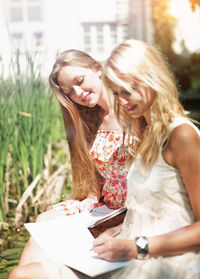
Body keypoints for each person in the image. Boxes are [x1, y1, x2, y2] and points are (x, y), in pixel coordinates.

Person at [9, 49, 130, 279]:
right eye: (70, 92)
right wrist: (91, 201)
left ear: (97, 69)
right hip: (104, 208)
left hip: (130, 210)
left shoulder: (131, 108)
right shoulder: (89, 119)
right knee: (44, 221)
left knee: (20, 276)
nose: (78, 93)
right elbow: (98, 176)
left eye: (80, 81)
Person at [91, 39, 200, 279]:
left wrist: (133, 246)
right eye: (117, 93)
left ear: (152, 80)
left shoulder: (181, 135)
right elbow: (156, 210)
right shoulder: (146, 133)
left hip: (167, 262)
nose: (121, 101)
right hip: (131, 252)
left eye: (127, 91)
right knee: (23, 274)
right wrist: (115, 232)